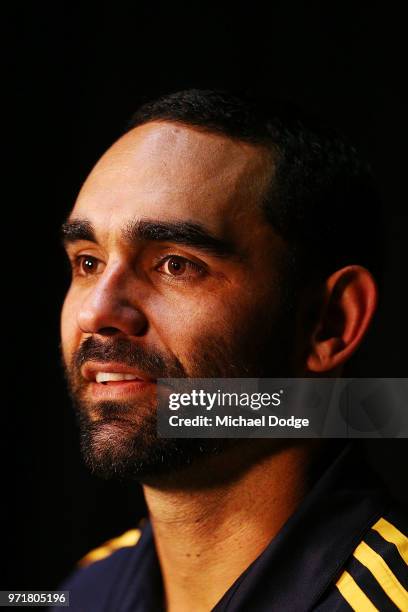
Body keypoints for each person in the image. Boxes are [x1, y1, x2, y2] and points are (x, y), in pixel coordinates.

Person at [57, 90, 407, 611]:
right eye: (88, 262)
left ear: (330, 323)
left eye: (175, 263)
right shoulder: (85, 591)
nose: (96, 313)